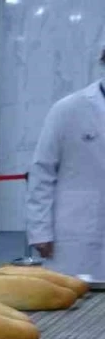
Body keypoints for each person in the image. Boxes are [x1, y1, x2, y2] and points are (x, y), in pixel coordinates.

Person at [26, 47, 105, 280]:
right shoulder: (69, 109)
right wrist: (40, 231)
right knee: (75, 295)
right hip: (77, 232)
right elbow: (42, 171)